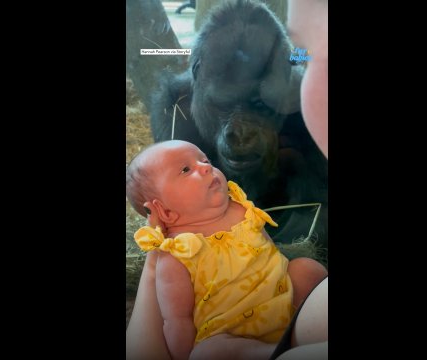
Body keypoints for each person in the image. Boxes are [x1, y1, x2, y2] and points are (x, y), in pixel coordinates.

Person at [126, 0, 330, 356]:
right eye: (226, 105)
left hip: (277, 260)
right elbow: (183, 217)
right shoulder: (178, 107)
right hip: (220, 281)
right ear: (197, 76)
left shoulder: (304, 106)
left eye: (260, 107)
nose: (241, 133)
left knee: (309, 266)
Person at [126, 139, 328, 360]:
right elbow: (177, 319)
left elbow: (272, 255)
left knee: (305, 268)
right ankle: (277, 353)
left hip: (284, 297)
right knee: (207, 352)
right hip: (231, 332)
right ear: (164, 212)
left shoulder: (241, 208)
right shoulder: (177, 254)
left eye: (205, 160)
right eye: (186, 170)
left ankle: (305, 329)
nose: (206, 167)